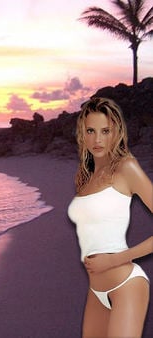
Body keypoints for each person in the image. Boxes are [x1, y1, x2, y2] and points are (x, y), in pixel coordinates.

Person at [68, 97, 153, 337]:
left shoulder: (126, 168)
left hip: (126, 284)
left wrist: (114, 260)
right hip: (96, 291)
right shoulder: (86, 178)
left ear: (116, 132)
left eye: (105, 131)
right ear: (82, 134)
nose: (98, 139)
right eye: (91, 131)